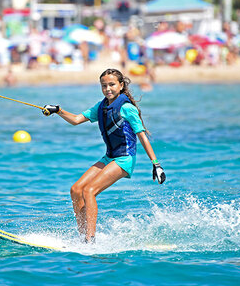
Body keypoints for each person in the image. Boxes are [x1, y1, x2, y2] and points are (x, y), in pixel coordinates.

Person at [42, 68, 166, 243]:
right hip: (110, 156)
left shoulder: (127, 108)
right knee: (76, 190)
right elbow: (76, 120)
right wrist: (58, 110)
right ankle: (83, 235)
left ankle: (90, 240)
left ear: (121, 85)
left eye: (112, 85)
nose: (108, 89)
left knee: (89, 191)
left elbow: (142, 136)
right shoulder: (101, 106)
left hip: (124, 158)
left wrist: (156, 164)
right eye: (104, 85)